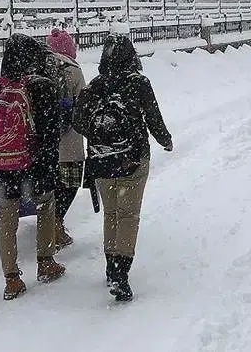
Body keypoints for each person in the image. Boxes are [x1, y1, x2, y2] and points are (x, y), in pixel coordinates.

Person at [73, 34, 173, 302]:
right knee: (128, 216)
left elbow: (78, 121)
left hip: (101, 160)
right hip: (132, 158)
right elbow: (153, 118)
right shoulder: (139, 83)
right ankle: (121, 272)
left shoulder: (95, 86)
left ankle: (110, 266)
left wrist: (99, 134)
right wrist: (165, 140)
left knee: (112, 214)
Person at [0, 33, 65, 301]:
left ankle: (11, 278)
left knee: (7, 218)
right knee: (46, 207)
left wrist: (4, 142)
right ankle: (46, 262)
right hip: (37, 164)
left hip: (2, 166)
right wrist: (38, 151)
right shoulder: (42, 86)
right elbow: (52, 129)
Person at [46, 28, 87, 249]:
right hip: (69, 142)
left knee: (50, 186)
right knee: (69, 185)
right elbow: (84, 105)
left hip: (45, 141)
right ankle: (56, 223)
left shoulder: (40, 68)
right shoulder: (74, 71)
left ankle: (48, 224)